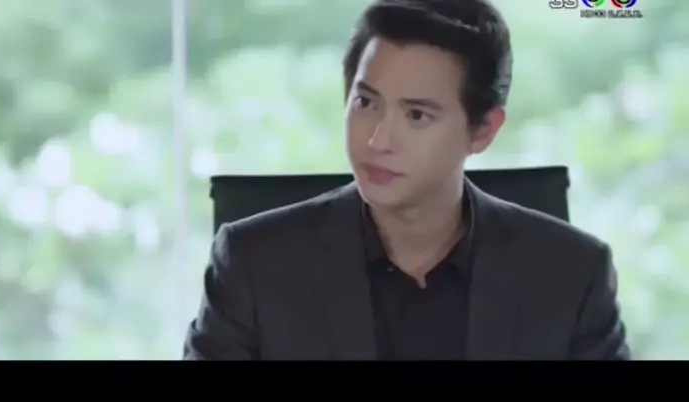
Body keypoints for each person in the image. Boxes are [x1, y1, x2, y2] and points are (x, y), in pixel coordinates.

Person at [183, 0, 630, 360]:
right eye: (365, 103)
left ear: (483, 131)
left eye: (417, 115)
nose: (377, 140)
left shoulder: (572, 276)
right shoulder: (254, 266)